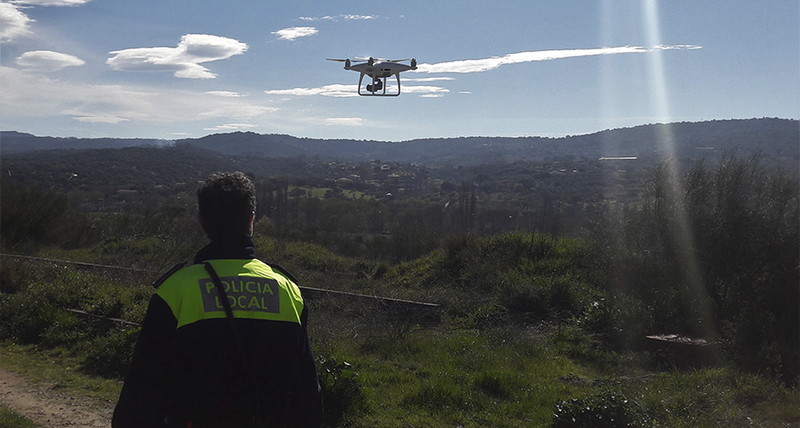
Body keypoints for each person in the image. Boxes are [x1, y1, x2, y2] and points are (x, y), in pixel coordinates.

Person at [112, 172, 324, 428]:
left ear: (202, 222)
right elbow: (307, 394)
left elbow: (143, 388)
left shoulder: (175, 290)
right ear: (251, 221)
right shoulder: (287, 290)